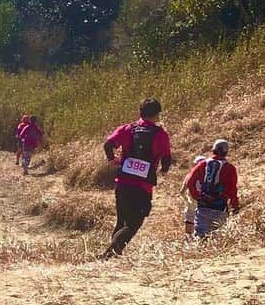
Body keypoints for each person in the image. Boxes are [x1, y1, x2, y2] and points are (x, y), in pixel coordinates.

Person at [100, 98, 172, 258]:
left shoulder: (127, 129)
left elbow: (108, 144)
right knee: (134, 223)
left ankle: (113, 255)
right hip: (142, 186)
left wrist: (112, 159)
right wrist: (164, 171)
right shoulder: (161, 134)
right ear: (157, 114)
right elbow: (167, 158)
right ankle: (109, 254)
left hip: (123, 182)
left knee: (121, 221)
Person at [182, 139, 240, 238]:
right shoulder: (230, 168)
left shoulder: (203, 164)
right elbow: (232, 189)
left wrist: (197, 196)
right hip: (220, 207)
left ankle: (199, 251)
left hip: (203, 206)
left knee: (200, 237)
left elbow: (190, 181)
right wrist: (235, 205)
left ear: (213, 150)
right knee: (218, 237)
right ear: (226, 152)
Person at [182, 155, 207, 238]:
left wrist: (187, 200)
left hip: (191, 204)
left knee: (189, 226)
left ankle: (188, 242)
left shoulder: (189, 176)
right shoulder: (209, 177)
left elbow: (181, 192)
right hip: (204, 205)